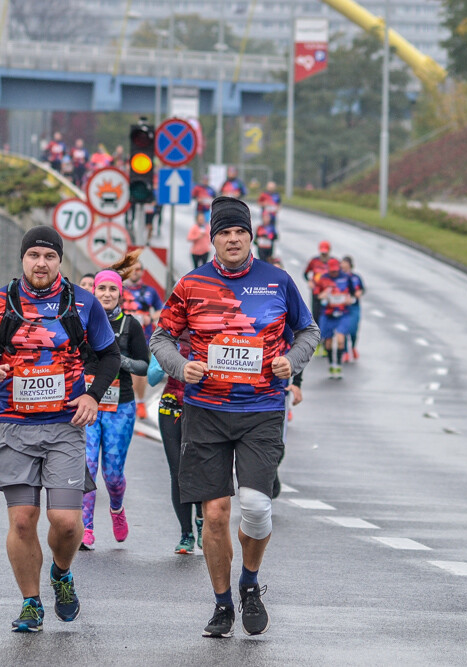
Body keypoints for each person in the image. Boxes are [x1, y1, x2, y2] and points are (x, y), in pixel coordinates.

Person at [150, 196, 319, 639]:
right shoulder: (190, 284)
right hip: (205, 410)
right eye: (224, 233)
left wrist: (292, 361)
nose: (232, 239)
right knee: (217, 513)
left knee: (259, 507)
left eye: (239, 232)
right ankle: (223, 603)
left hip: (261, 410)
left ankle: (249, 581)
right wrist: (178, 367)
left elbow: (309, 330)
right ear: (213, 239)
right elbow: (162, 335)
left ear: (250, 237)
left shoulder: (277, 282)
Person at [0, 226, 120, 633]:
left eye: (49, 256)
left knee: (67, 522)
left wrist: (92, 396)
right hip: (15, 424)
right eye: (34, 255)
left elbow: (109, 355)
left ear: (59, 261)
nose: (41, 263)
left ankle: (62, 574)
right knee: (22, 521)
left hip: (65, 425)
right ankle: (30, 603)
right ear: (22, 259)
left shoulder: (83, 304)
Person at [80, 261, 149, 549]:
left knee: (113, 474)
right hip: (87, 405)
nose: (106, 294)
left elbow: (144, 366)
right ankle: (85, 528)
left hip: (120, 406)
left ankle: (117, 509)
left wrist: (118, 360)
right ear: (93, 291)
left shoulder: (130, 324)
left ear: (120, 293)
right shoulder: (81, 319)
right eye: (101, 288)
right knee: (87, 465)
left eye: (112, 289)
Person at [147, 332, 204, 554]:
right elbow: (151, 377)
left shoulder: (208, 335)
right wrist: (166, 359)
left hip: (201, 409)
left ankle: (201, 517)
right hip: (170, 406)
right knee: (177, 471)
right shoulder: (167, 339)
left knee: (198, 469)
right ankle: (186, 534)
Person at [122, 263, 162, 420]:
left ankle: (140, 402)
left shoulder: (149, 291)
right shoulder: (119, 290)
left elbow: (162, 309)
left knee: (140, 371)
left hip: (143, 336)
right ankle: (128, 402)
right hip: (121, 335)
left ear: (142, 272)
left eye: (138, 269)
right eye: (131, 269)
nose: (134, 272)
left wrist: (150, 318)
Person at [314, 258, 357, 374]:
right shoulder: (323, 279)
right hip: (328, 314)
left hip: (342, 314)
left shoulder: (346, 278)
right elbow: (317, 294)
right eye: (332, 271)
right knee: (327, 342)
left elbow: (353, 294)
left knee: (340, 339)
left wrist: (350, 299)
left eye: (336, 271)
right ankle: (331, 362)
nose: (334, 273)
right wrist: (323, 295)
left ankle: (338, 364)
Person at [304, 240, 333, 339]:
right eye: (322, 253)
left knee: (327, 318)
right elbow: (306, 273)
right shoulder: (314, 261)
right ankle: (317, 341)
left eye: (325, 253)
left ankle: (326, 340)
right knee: (316, 317)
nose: (323, 255)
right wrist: (310, 281)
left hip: (328, 294)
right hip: (316, 293)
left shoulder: (333, 262)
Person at [341, 255, 365, 361]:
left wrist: (359, 293)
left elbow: (362, 289)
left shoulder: (356, 277)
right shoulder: (339, 278)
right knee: (345, 328)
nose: (344, 269)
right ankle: (345, 351)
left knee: (353, 329)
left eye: (346, 266)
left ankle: (353, 347)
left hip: (354, 306)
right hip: (343, 307)